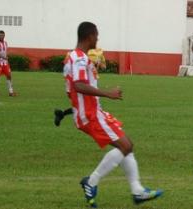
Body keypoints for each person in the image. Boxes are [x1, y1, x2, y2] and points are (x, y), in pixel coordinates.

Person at [65, 22, 163, 208]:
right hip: (90, 114)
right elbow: (78, 85)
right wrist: (108, 93)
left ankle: (137, 191)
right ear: (90, 36)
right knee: (126, 145)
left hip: (93, 112)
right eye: (97, 36)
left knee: (127, 145)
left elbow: (73, 88)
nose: (98, 39)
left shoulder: (75, 57)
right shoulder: (78, 58)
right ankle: (92, 182)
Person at [54, 47, 107, 126]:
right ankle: (102, 124)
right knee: (92, 106)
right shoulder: (81, 54)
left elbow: (103, 66)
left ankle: (62, 114)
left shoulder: (98, 52)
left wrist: (98, 63)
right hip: (85, 81)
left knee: (83, 106)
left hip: (88, 79)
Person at [0, 30, 16, 96]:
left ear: (4, 35)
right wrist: (3, 57)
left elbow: (5, 52)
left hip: (5, 63)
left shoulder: (5, 43)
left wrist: (6, 57)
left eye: (2, 35)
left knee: (9, 76)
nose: (1, 36)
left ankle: (11, 92)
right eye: (0, 35)